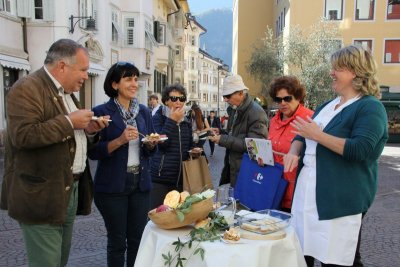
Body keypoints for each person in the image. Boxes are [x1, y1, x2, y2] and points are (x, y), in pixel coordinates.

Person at [0, 39, 108, 267]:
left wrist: (87, 131)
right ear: (62, 66)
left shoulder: (65, 92)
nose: (86, 76)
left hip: (67, 190)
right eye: (83, 70)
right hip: (40, 196)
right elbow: (23, 136)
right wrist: (70, 121)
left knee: (58, 261)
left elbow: (68, 136)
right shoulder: (27, 88)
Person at [284, 45, 388, 267]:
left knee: (338, 260)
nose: (332, 73)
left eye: (338, 68)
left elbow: (361, 149)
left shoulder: (370, 107)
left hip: (340, 200)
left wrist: (318, 135)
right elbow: (303, 134)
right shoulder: (328, 105)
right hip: (308, 195)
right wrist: (294, 150)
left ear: (356, 72)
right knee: (302, 253)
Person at [88, 62, 157, 266]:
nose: (134, 83)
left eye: (136, 79)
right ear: (115, 84)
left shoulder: (143, 112)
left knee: (138, 240)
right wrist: (120, 140)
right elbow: (93, 152)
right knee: (117, 242)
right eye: (128, 79)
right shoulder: (102, 112)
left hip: (140, 184)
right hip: (112, 187)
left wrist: (151, 144)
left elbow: (150, 149)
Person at [209, 74, 269, 186]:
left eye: (228, 96)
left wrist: (223, 139)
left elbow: (254, 147)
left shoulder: (256, 113)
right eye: (224, 96)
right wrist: (221, 132)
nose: (226, 100)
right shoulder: (235, 109)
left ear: (241, 93)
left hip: (248, 172)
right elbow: (235, 135)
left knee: (243, 202)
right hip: (235, 168)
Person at [267, 76, 314, 212]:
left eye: (287, 98)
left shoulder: (310, 119)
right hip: (275, 187)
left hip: (297, 191)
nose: (282, 103)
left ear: (298, 97)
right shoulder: (274, 121)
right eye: (278, 100)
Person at [150, 84, 194, 208]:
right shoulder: (157, 118)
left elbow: (189, 144)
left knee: (177, 218)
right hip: (161, 179)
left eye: (182, 98)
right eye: (174, 99)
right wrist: (172, 120)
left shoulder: (186, 121)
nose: (178, 102)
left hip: (181, 180)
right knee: (158, 218)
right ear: (166, 101)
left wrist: (197, 152)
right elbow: (162, 143)